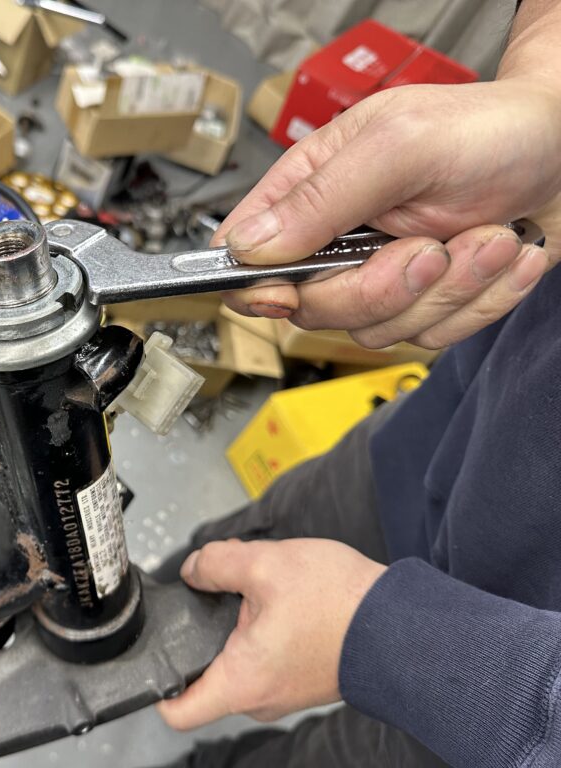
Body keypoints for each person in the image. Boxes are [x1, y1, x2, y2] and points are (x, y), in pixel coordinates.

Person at [152, 1, 561, 766]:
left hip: (490, 722)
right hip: (437, 441)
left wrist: (386, 639)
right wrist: (547, 96)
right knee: (189, 586)